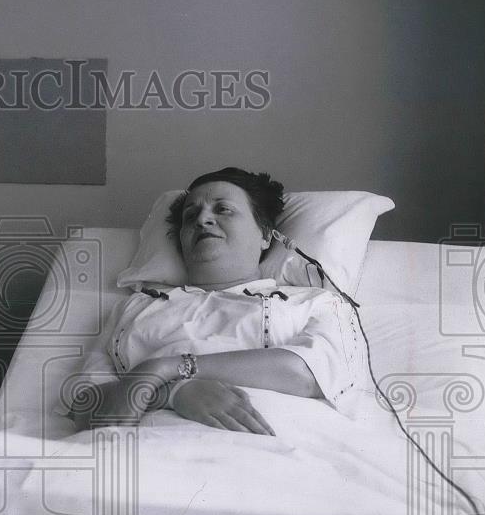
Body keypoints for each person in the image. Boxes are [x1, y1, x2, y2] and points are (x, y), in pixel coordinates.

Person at [70, 167, 366, 435]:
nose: (203, 219)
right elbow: (83, 403)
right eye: (190, 216)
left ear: (265, 236)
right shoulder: (136, 307)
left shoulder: (318, 302)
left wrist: (164, 369)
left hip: (267, 455)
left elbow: (306, 374)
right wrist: (176, 393)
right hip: (136, 455)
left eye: (223, 209)